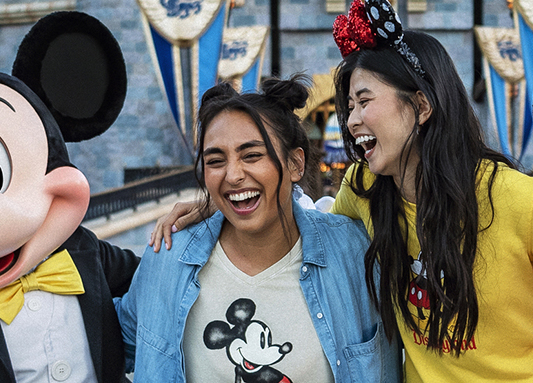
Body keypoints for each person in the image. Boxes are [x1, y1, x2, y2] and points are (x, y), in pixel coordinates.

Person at [155, 0, 533, 382]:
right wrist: (222, 210)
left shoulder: (520, 202)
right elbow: (304, 237)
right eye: (349, 105)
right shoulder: (365, 191)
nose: (351, 121)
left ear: (422, 105)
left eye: (364, 101)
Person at [117, 77, 400, 383]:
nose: (233, 175)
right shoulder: (169, 259)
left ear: (295, 164)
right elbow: (116, 342)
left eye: (252, 155)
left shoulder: (355, 254)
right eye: (215, 160)